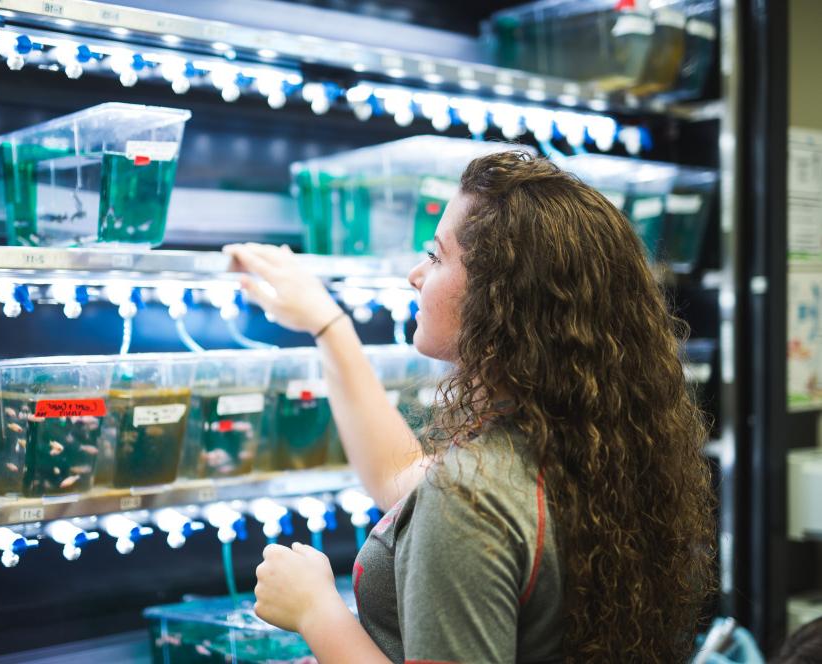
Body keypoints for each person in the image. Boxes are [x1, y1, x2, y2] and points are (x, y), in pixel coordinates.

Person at [225, 151, 717, 663]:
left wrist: (316, 612)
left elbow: (450, 506)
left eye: (436, 256)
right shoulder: (589, 449)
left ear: (500, 295)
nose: (416, 274)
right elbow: (404, 482)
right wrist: (328, 324)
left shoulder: (469, 499)